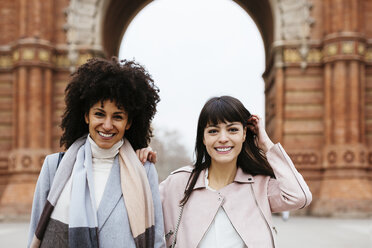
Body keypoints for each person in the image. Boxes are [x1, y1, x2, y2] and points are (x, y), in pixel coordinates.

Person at [28, 58, 165, 248]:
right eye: (99, 114)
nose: (107, 125)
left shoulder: (144, 170)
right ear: (86, 116)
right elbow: (36, 232)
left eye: (117, 116)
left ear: (129, 123)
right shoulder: (54, 167)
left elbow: (157, 241)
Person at [159, 96, 312, 248]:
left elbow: (299, 196)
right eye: (213, 131)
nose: (223, 138)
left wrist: (265, 143)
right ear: (203, 138)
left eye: (232, 130)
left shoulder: (260, 186)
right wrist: (139, 161)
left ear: (244, 134)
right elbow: (141, 211)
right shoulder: (179, 183)